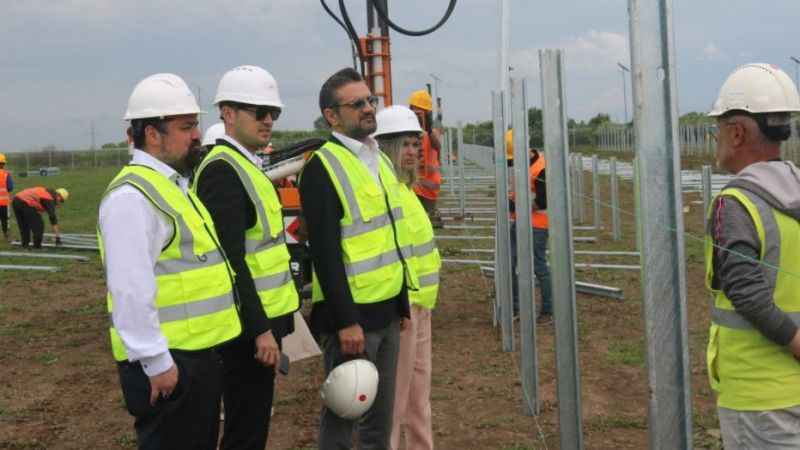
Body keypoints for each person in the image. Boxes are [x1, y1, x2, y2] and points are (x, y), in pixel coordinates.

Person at [98, 73, 241, 450]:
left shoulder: (174, 186)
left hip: (193, 358)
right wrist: (156, 363)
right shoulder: (132, 197)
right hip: (168, 365)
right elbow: (129, 289)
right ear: (151, 134)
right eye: (186, 126)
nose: (197, 135)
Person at [299, 67, 415, 450]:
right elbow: (326, 254)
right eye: (358, 103)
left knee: (379, 425)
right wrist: (347, 322)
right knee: (343, 417)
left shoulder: (379, 160)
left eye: (370, 100)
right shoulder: (321, 168)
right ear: (332, 116)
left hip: (386, 312)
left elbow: (390, 238)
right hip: (352, 322)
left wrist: (400, 305)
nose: (369, 108)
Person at [193, 65, 299, 450]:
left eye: (274, 113)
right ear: (228, 113)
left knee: (253, 424)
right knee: (245, 431)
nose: (268, 120)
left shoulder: (245, 165)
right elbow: (231, 263)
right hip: (247, 332)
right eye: (259, 111)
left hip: (263, 322)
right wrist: (260, 330)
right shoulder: (223, 172)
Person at [704, 63, 800, 450]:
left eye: (719, 129)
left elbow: (747, 293)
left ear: (737, 132)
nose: (716, 138)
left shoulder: (737, 203)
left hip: (759, 395)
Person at [374, 105, 441, 450]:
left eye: (416, 144)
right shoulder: (385, 191)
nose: (414, 152)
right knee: (394, 402)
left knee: (418, 398)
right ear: (385, 147)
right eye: (406, 145)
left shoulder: (407, 191)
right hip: (402, 312)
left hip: (420, 308)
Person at [507, 130, 553, 324]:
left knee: (538, 266)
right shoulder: (522, 166)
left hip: (538, 225)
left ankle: (547, 311)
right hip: (521, 220)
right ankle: (516, 308)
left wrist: (521, 206)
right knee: (511, 262)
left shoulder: (541, 167)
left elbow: (543, 201)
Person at [408, 90, 443, 226]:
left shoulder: (433, 131)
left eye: (421, 113)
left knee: (426, 225)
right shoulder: (408, 130)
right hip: (412, 185)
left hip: (428, 188)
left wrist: (427, 129)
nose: (418, 116)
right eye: (415, 112)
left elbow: (437, 145)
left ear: (428, 114)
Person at [0, 153, 14, 240]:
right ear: (3, 164)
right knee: (4, 219)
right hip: (4, 202)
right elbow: (10, 187)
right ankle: (6, 235)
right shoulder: (6, 174)